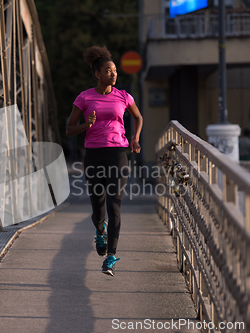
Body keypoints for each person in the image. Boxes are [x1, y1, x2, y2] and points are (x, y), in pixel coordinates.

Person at [66, 46, 143, 277]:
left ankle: (110, 257)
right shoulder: (85, 97)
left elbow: (138, 117)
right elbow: (70, 130)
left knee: (114, 205)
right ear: (97, 74)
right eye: (109, 71)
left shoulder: (123, 96)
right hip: (94, 156)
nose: (114, 74)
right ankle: (100, 231)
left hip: (118, 154)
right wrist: (86, 126)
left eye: (115, 70)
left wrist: (135, 139)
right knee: (98, 208)